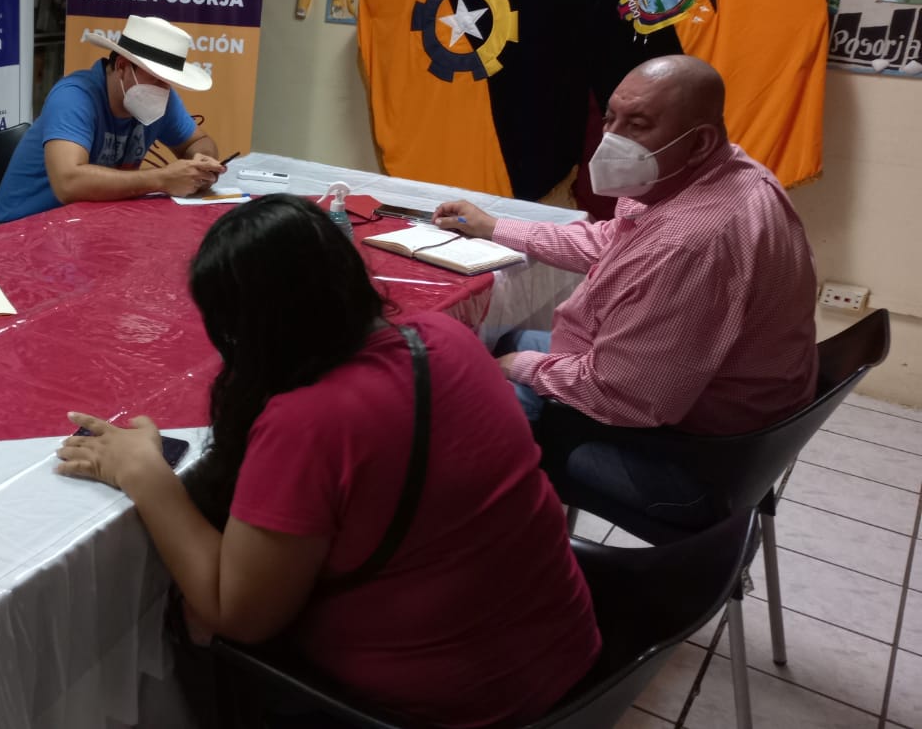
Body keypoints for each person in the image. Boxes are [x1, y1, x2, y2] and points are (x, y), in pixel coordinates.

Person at [55, 195, 601, 728]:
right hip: (573, 657)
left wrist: (146, 476)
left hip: (461, 708)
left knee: (194, 621)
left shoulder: (308, 421)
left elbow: (236, 615)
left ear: (245, 330)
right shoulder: (446, 337)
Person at [433, 55, 818, 435]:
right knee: (494, 342)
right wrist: (494, 226)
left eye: (637, 125)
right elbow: (613, 242)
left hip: (696, 430)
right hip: (690, 380)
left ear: (700, 142)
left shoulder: (687, 243)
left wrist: (515, 366)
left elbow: (622, 396)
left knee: (458, 401)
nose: (611, 140)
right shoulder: (725, 171)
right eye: (610, 119)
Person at [0, 15, 226, 223]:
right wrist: (162, 179)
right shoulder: (74, 96)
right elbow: (68, 183)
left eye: (168, 82)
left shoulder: (162, 98)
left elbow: (198, 141)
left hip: (84, 225)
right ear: (122, 66)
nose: (164, 89)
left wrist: (201, 163)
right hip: (19, 229)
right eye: (156, 78)